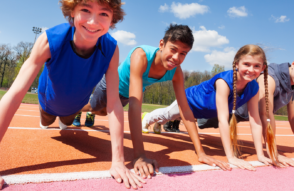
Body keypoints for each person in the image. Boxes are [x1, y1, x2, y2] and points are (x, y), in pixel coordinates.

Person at [0, 0, 145, 191]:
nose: (93, 21)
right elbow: (14, 95)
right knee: (47, 121)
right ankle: (46, 115)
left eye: (103, 14)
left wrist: (118, 161)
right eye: (85, 10)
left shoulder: (111, 49)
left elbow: (113, 104)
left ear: (113, 19)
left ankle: (67, 119)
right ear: (72, 11)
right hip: (47, 102)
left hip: (74, 106)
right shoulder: (50, 40)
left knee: (68, 122)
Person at [81, 24, 231, 175]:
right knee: (95, 109)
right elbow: (135, 105)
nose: (176, 58)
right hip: (112, 86)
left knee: (102, 113)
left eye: (183, 53)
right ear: (161, 44)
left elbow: (185, 110)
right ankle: (77, 107)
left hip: (126, 95)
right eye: (173, 49)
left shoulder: (176, 72)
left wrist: (201, 153)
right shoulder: (141, 56)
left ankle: (85, 108)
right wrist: (139, 155)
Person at [142, 44, 276, 170]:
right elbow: (223, 120)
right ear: (236, 64)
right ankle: (148, 118)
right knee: (168, 114)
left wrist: (261, 154)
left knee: (168, 117)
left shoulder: (254, 88)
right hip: (190, 101)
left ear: (263, 68)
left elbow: (255, 120)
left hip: (205, 112)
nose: (251, 70)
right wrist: (231, 157)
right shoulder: (224, 82)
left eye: (256, 66)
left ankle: (160, 123)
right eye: (246, 64)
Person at [190, 61, 294, 167]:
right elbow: (266, 114)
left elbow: (293, 117)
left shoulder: (291, 86)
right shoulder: (270, 78)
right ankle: (178, 114)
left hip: (247, 114)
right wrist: (273, 152)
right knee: (196, 115)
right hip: (233, 110)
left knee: (197, 117)